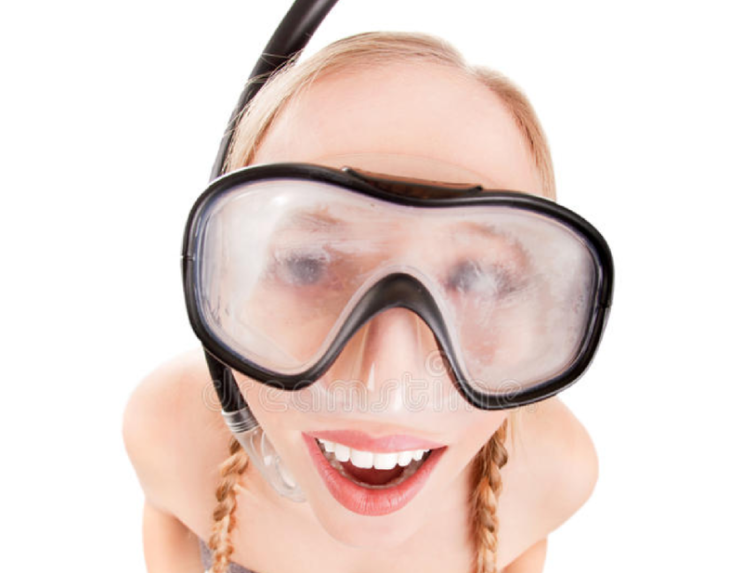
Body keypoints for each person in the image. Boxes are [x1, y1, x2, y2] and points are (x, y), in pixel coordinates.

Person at [123, 31, 607, 573]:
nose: (384, 389)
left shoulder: (556, 474)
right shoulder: (169, 428)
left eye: (475, 278)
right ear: (226, 279)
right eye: (308, 264)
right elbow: (167, 514)